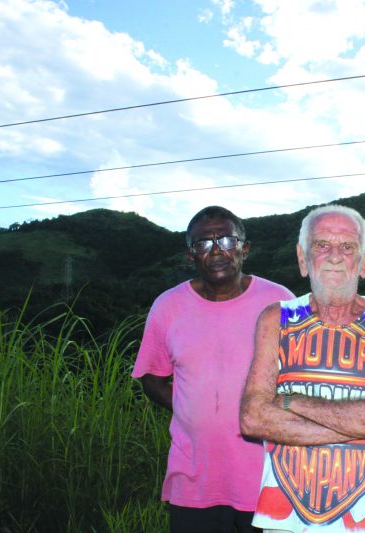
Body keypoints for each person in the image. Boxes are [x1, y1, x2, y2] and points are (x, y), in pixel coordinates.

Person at [240, 205, 365, 532]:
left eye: (347, 246)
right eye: (321, 245)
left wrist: (290, 401)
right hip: (287, 523)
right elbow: (253, 418)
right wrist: (362, 423)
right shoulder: (276, 318)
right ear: (302, 257)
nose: (335, 256)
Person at [132, 206, 294, 533]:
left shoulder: (281, 301)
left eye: (227, 241)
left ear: (245, 249)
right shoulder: (168, 306)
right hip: (194, 479)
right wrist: (192, 409)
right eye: (204, 243)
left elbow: (303, 381)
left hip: (269, 478)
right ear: (191, 255)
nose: (217, 251)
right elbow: (152, 378)